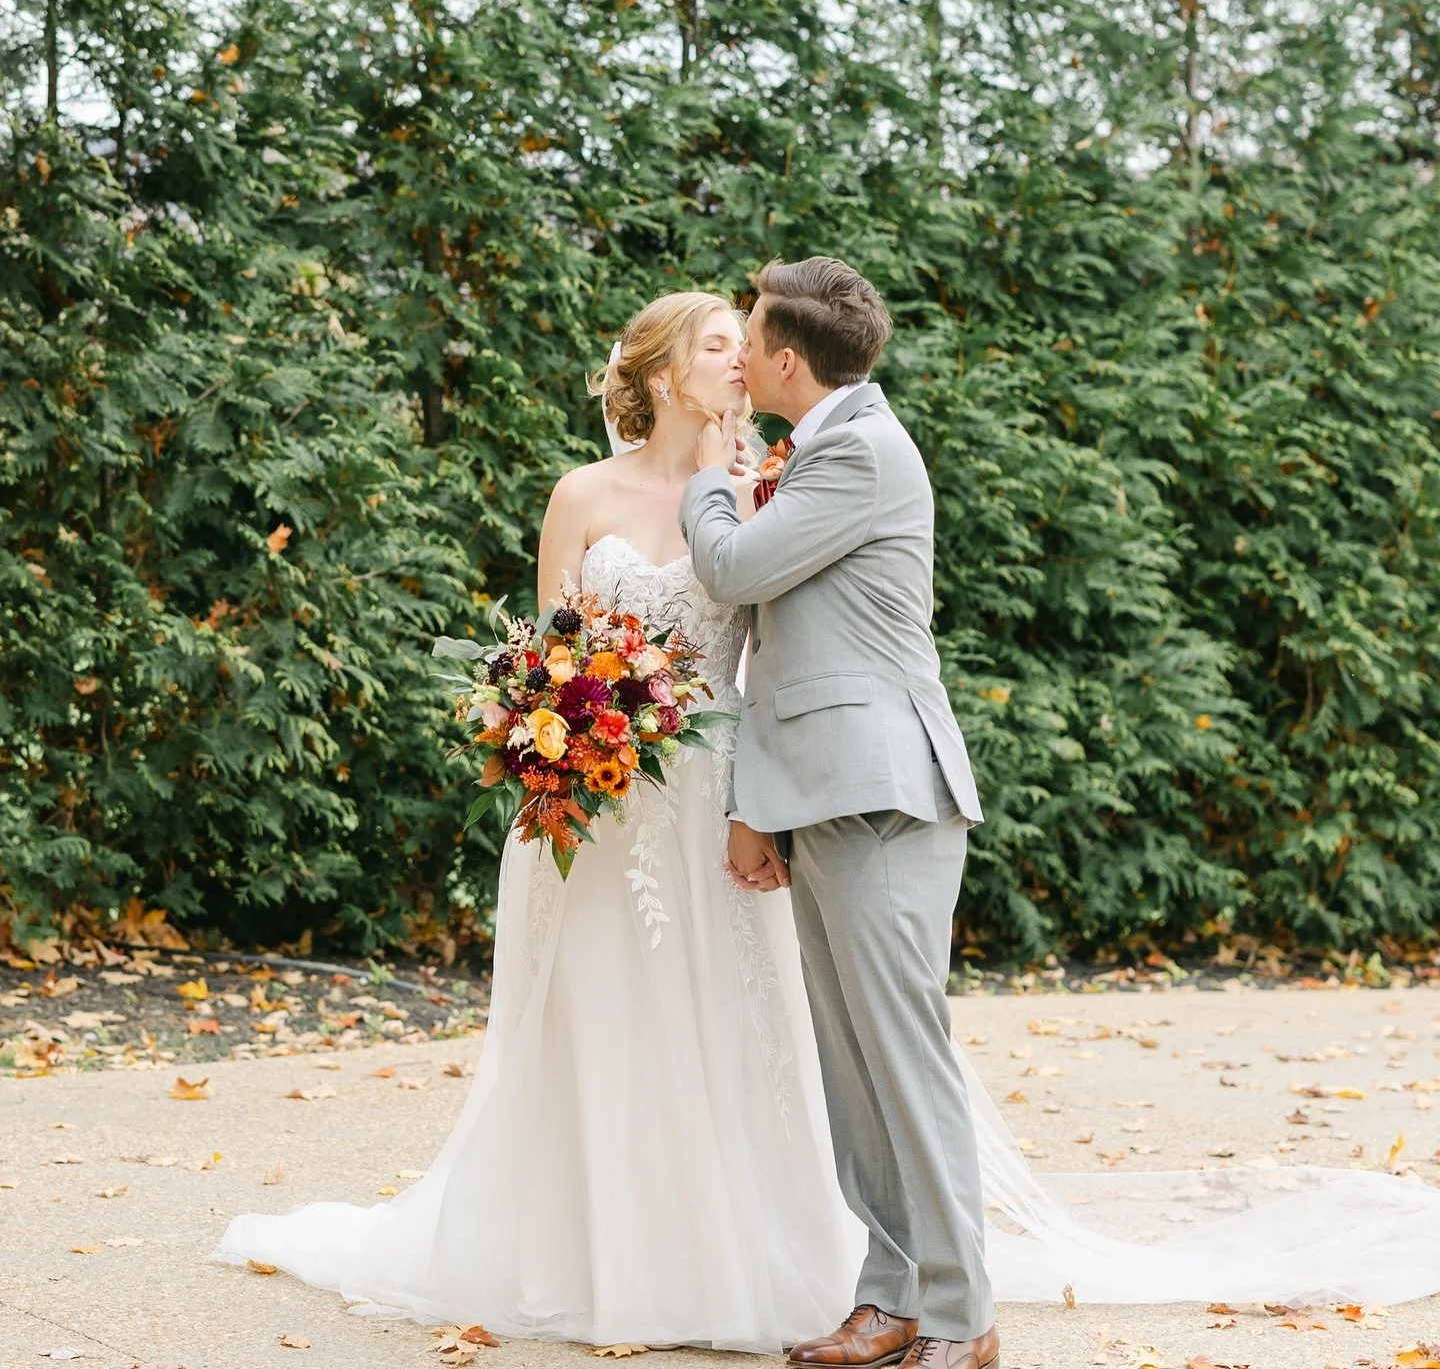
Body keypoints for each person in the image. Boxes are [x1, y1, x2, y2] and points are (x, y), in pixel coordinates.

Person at [213, 290, 866, 1349]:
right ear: (661, 376)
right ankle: (596, 1257)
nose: (743, 358)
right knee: (601, 1013)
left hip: (715, 796)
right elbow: (545, 648)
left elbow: (768, 659)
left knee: (724, 1014)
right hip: (595, 799)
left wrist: (763, 805)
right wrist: (559, 721)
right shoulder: (583, 492)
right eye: (718, 344)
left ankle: (740, 1254)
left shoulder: (761, 493)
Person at [681, 257, 997, 1369]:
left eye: (754, 335)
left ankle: (962, 1318)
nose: (745, 352)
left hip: (881, 792)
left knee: (903, 1062)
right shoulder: (825, 446)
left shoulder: (858, 450)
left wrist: (711, 477)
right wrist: (755, 806)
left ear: (783, 359)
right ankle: (891, 1297)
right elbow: (782, 649)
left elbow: (727, 572)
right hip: (821, 790)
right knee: (854, 1067)